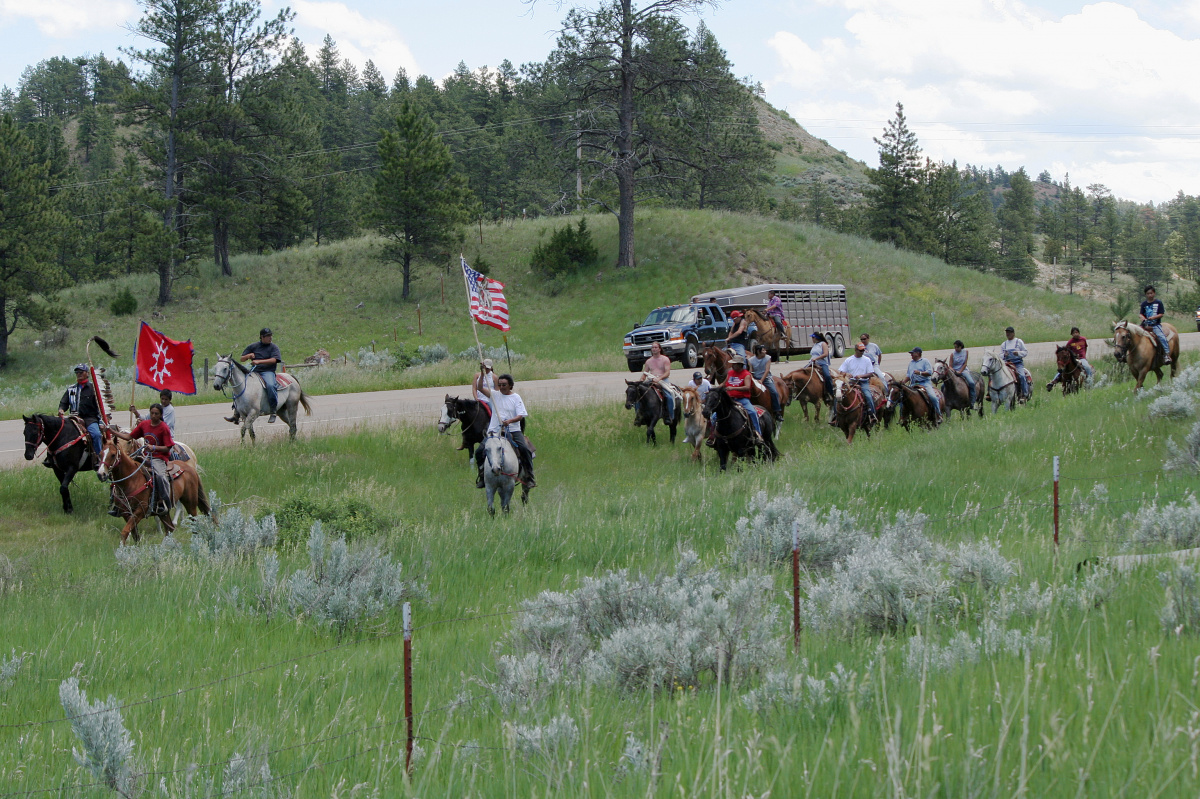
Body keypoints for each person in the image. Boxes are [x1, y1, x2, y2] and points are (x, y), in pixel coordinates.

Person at [109, 403, 175, 515]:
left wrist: (154, 447)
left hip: (158, 458)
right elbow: (129, 437)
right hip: (144, 456)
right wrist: (114, 433)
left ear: (160, 415)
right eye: (152, 413)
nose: (153, 416)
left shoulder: (164, 427)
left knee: (160, 476)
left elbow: (168, 447)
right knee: (121, 469)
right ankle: (118, 503)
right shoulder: (144, 425)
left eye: (156, 414)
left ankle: (163, 501)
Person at [475, 369, 536, 489]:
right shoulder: (494, 395)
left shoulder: (516, 397)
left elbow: (521, 415)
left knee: (525, 449)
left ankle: (529, 477)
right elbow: (480, 387)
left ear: (510, 386)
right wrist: (482, 374)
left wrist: (510, 421)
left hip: (513, 430)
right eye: (500, 385)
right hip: (494, 431)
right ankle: (482, 476)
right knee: (479, 452)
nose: (502, 387)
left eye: (504, 385)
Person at [226, 327, 282, 425]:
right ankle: (236, 413)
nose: (270, 338)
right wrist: (248, 356)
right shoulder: (253, 346)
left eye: (270, 336)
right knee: (239, 387)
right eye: (268, 336)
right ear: (262, 337)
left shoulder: (273, 347)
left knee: (270, 385)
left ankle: (273, 411)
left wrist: (259, 361)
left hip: (268, 371)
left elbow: (274, 360)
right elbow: (242, 359)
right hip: (254, 372)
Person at [58, 364, 104, 458]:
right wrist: (61, 409)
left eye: (81, 372)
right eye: (77, 372)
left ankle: (99, 457)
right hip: (73, 418)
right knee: (59, 432)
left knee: (96, 434)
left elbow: (100, 407)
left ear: (87, 373)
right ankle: (55, 457)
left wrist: (100, 421)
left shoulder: (94, 388)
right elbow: (64, 403)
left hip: (89, 418)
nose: (79, 374)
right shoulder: (71, 389)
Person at [715, 352, 763, 440]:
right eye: (732, 364)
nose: (732, 365)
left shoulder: (746, 374)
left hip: (742, 399)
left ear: (740, 365)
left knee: (752, 412)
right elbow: (723, 384)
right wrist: (714, 389)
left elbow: (747, 387)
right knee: (714, 416)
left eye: (734, 364)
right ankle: (714, 436)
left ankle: (757, 433)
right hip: (730, 400)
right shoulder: (730, 373)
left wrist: (732, 388)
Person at [837, 343, 879, 425]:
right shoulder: (849, 360)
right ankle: (836, 416)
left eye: (863, 350)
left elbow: (870, 373)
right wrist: (847, 374)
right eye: (860, 350)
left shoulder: (867, 360)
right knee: (839, 395)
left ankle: (872, 415)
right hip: (851, 381)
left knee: (868, 395)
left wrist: (861, 376)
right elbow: (841, 371)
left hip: (863, 382)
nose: (862, 352)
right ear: (856, 350)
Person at [906, 346, 942, 424]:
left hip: (924, 383)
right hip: (913, 383)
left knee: (933, 397)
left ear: (918, 354)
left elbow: (929, 373)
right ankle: (903, 417)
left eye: (913, 353)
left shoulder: (925, 361)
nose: (911, 355)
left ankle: (938, 414)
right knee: (903, 397)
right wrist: (902, 382)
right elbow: (908, 376)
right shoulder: (911, 363)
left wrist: (920, 373)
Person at [641, 341, 676, 422]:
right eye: (652, 347)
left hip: (663, 380)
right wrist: (640, 382)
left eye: (656, 347)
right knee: (638, 394)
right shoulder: (648, 361)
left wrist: (659, 378)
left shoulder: (665, 359)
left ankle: (669, 416)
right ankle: (639, 416)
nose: (654, 349)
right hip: (651, 380)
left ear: (659, 349)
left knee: (669, 396)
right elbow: (645, 374)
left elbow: (667, 372)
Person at [748, 344, 782, 422]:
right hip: (755, 378)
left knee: (774, 392)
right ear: (758, 352)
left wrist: (762, 380)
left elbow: (767, 370)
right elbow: (750, 371)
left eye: (765, 350)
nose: (765, 351)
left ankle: (777, 411)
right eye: (763, 350)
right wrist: (752, 379)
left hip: (766, 378)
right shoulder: (751, 360)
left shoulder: (767, 358)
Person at [1139, 285, 1172, 364]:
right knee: (1134, 335)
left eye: (1151, 293)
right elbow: (1141, 314)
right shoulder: (1144, 304)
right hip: (1145, 325)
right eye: (1148, 293)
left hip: (1155, 325)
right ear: (1145, 294)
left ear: (1154, 293)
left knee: (1162, 337)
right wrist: (1142, 318)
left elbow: (1161, 313)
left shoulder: (1158, 302)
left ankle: (1166, 354)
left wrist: (1153, 317)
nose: (1150, 295)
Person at [1000, 326, 1030, 399]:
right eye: (1007, 332)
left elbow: (1025, 352)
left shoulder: (1019, 341)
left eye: (1009, 332)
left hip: (1017, 363)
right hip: (1007, 364)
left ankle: (1025, 393)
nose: (1008, 334)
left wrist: (1018, 353)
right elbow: (1000, 355)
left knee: (1022, 376)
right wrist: (1004, 355)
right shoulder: (1004, 344)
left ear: (1013, 333)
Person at [949, 341, 977, 406]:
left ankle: (973, 401)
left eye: (957, 347)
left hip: (964, 370)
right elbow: (950, 366)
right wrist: (954, 371)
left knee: (971, 383)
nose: (956, 349)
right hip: (954, 371)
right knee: (944, 386)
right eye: (955, 347)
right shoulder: (952, 354)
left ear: (961, 347)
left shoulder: (965, 352)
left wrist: (960, 372)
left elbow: (965, 363)